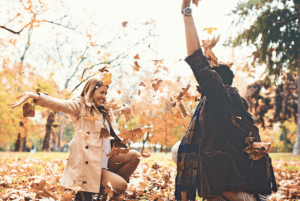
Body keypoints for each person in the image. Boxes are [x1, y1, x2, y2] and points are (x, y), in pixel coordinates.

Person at [174, 0, 277, 200]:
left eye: (209, 75)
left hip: (244, 191)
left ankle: (222, 195)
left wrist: (186, 13)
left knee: (186, 153)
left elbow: (195, 58)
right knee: (179, 149)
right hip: (243, 181)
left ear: (215, 81)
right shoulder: (227, 103)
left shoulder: (222, 96)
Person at [12, 77, 141, 200]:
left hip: (106, 159)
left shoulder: (104, 109)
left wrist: (125, 109)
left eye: (106, 93)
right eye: (101, 92)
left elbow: (115, 110)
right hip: (91, 164)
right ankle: (89, 195)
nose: (104, 96)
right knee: (121, 186)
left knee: (135, 156)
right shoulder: (80, 106)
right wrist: (36, 96)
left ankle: (103, 189)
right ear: (91, 90)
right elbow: (61, 105)